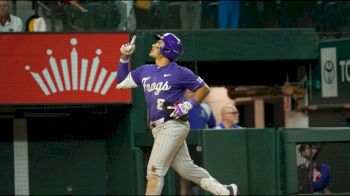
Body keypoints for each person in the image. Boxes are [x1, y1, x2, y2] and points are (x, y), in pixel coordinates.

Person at [116, 33, 238, 195]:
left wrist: (188, 104)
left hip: (172, 124)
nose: (154, 45)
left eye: (159, 43)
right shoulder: (146, 70)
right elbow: (122, 81)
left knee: (154, 171)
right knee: (186, 169)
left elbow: (204, 88)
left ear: (167, 49)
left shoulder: (180, 72)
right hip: (158, 128)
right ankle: (226, 192)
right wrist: (124, 57)